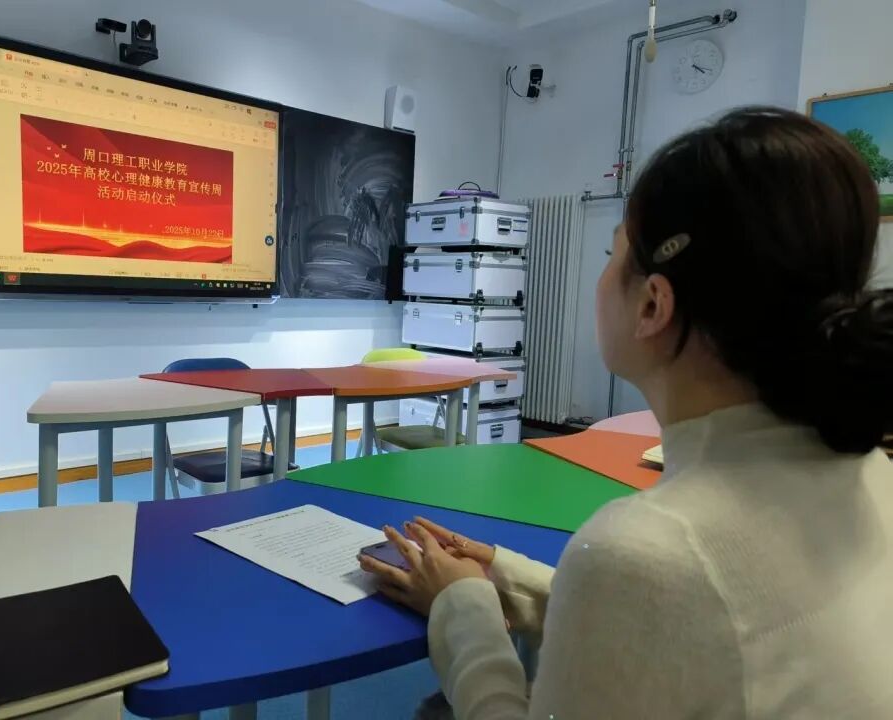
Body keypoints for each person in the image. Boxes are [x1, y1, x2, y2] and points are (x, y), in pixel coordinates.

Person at [360, 107, 893, 718]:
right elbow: (697, 622)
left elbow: (665, 590)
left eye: (611, 252)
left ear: (652, 305)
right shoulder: (872, 472)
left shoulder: (646, 551)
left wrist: (464, 608)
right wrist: (504, 573)